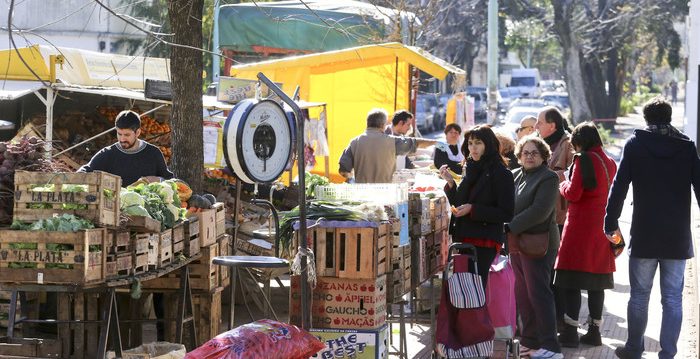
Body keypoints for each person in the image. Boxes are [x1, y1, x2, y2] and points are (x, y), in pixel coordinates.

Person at [605, 97, 700, 359]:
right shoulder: (687, 147)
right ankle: (668, 353)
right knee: (672, 299)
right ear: (669, 117)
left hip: (644, 234)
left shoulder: (635, 145)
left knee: (639, 296)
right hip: (677, 238)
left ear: (646, 119)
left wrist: (610, 223)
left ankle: (634, 349)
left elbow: (619, 187)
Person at [554, 123, 617, 348]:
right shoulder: (609, 161)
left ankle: (570, 333)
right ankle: (594, 331)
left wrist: (562, 181)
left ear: (581, 141)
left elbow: (574, 193)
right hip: (601, 226)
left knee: (571, 280)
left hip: (580, 227)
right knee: (596, 283)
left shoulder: (583, 160)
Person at [507, 136, 562, 359]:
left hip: (540, 243)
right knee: (522, 293)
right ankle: (529, 341)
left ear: (543, 156)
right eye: (525, 153)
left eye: (534, 153)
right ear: (519, 156)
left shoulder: (548, 178)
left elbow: (540, 210)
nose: (529, 156)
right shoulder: (516, 175)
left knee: (539, 293)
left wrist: (508, 226)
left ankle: (551, 346)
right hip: (517, 242)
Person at [439, 125, 514, 287]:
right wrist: (451, 183)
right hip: (463, 237)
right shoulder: (470, 168)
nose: (473, 147)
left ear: (488, 144)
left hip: (484, 240)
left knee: (476, 289)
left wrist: (473, 209)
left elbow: (506, 213)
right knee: (465, 290)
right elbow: (459, 203)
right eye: (470, 143)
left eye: (478, 143)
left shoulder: (501, 173)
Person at [535, 106, 574, 327]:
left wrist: (549, 176)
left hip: (561, 217)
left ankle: (562, 319)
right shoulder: (539, 145)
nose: (537, 127)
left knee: (558, 271)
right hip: (542, 217)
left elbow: (574, 175)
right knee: (545, 271)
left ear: (552, 125)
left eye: (540, 123)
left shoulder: (567, 145)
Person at [339, 108, 447, 183]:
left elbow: (343, 169)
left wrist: (353, 178)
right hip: (386, 192)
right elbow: (415, 143)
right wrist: (434, 142)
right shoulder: (391, 142)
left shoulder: (354, 142)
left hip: (361, 193)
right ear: (382, 124)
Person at [79, 110, 173, 186]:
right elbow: (85, 171)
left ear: (138, 133)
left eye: (127, 135)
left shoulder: (153, 153)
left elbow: (170, 180)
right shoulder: (108, 154)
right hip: (116, 208)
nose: (122, 139)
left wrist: (159, 179)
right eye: (119, 134)